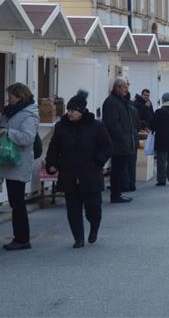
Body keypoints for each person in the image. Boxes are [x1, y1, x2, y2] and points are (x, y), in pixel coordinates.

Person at [0, 83, 39, 250]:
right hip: (11, 162)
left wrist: (7, 132)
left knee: (17, 202)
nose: (8, 99)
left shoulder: (29, 115)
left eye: (11, 96)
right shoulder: (13, 110)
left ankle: (22, 239)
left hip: (18, 162)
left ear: (20, 97)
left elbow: (27, 138)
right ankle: (21, 238)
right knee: (15, 201)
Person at [45, 90, 112, 248]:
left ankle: (94, 227)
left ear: (81, 111)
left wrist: (98, 161)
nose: (70, 113)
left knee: (93, 208)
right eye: (68, 110)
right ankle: (78, 237)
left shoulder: (95, 126)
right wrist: (52, 163)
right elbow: (54, 147)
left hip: (90, 174)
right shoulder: (61, 127)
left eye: (73, 110)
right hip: (69, 172)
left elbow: (107, 146)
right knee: (73, 209)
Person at [102, 77, 139, 203]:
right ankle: (116, 194)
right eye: (124, 88)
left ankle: (118, 192)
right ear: (117, 88)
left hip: (125, 141)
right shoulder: (112, 102)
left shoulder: (123, 102)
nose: (126, 90)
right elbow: (113, 124)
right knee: (117, 169)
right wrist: (122, 139)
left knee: (120, 168)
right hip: (118, 142)